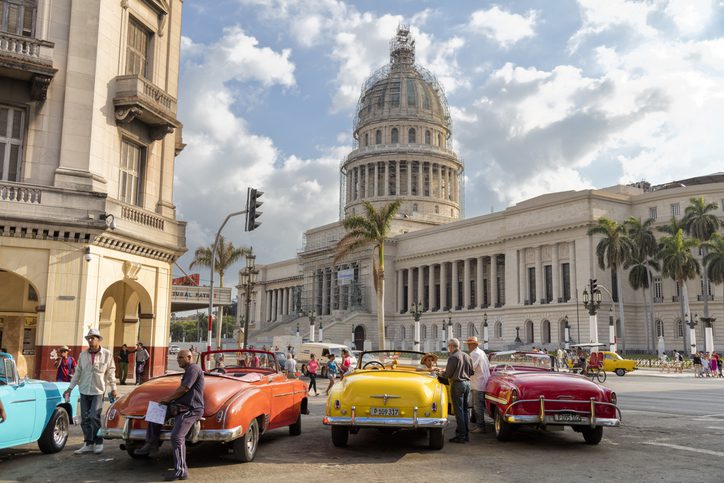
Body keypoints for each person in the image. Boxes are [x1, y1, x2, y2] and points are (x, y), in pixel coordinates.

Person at [135, 349, 204, 481]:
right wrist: (168, 401)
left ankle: (181, 471)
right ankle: (151, 442)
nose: (178, 360)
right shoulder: (188, 370)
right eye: (178, 358)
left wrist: (168, 398)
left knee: (176, 437)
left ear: (190, 357)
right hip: (180, 407)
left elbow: (185, 388)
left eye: (181, 358)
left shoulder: (193, 369)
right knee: (156, 410)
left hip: (191, 409)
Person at [64, 328, 117, 455]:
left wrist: (114, 388)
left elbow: (111, 372)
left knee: (94, 416)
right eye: (89, 338)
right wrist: (70, 388)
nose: (90, 340)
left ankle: (98, 442)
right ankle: (88, 443)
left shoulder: (107, 354)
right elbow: (77, 372)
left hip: (98, 390)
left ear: (99, 340)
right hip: (84, 390)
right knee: (85, 418)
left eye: (93, 338)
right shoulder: (83, 355)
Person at [441, 338, 474, 443]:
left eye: (448, 346)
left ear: (451, 346)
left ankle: (461, 435)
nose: (448, 348)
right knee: (465, 410)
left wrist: (440, 373)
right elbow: (472, 372)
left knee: (459, 411)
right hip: (467, 384)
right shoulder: (466, 355)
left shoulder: (453, 357)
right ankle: (465, 434)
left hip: (458, 384)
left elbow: (448, 375)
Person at [466, 336, 490, 433]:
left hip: (478, 383)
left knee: (477, 405)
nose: (468, 346)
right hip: (482, 381)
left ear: (473, 345)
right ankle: (475, 420)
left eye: (469, 344)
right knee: (477, 404)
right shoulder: (481, 352)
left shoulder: (475, 354)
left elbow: (471, 368)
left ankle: (480, 426)